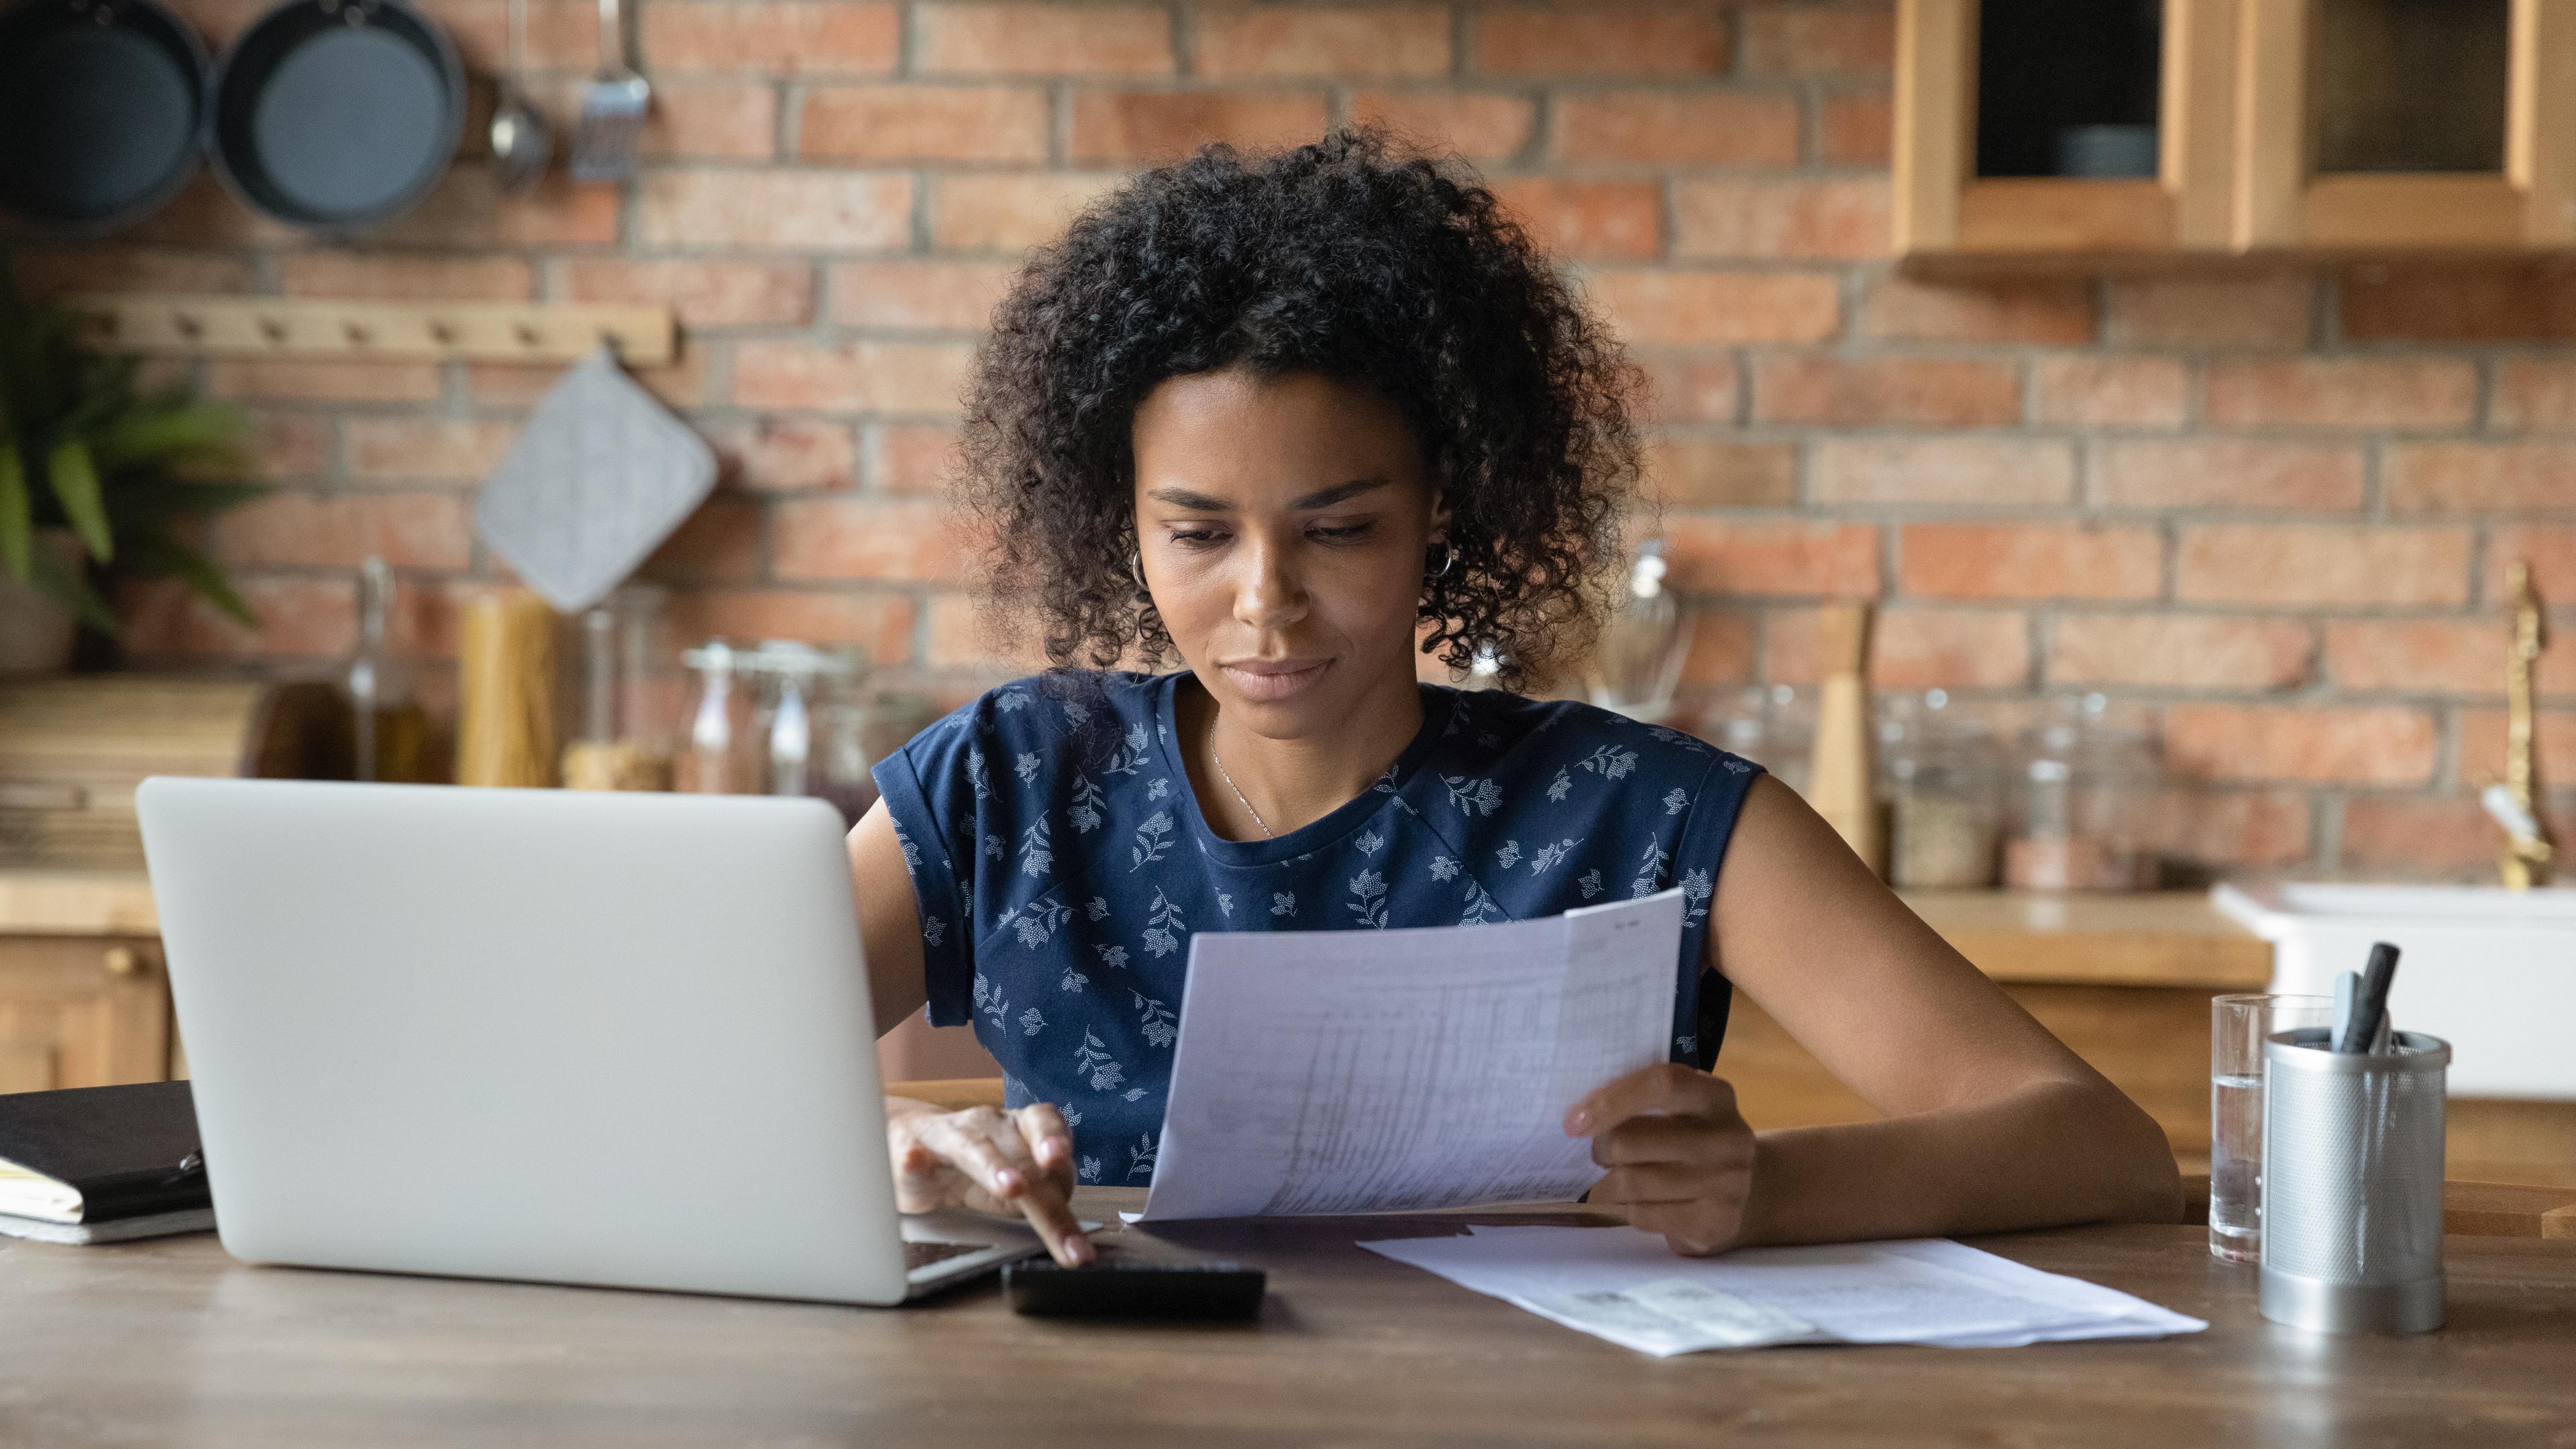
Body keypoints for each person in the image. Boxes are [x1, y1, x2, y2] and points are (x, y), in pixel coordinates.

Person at [846, 129, 2180, 1268]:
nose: (1266, 600)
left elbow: (2097, 1144)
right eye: (1199, 535)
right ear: (1120, 524)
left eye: (1340, 530)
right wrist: (880, 1139)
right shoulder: (1008, 784)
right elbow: (663, 1066)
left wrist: (1773, 1188)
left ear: (1445, 512)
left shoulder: (1643, 817)